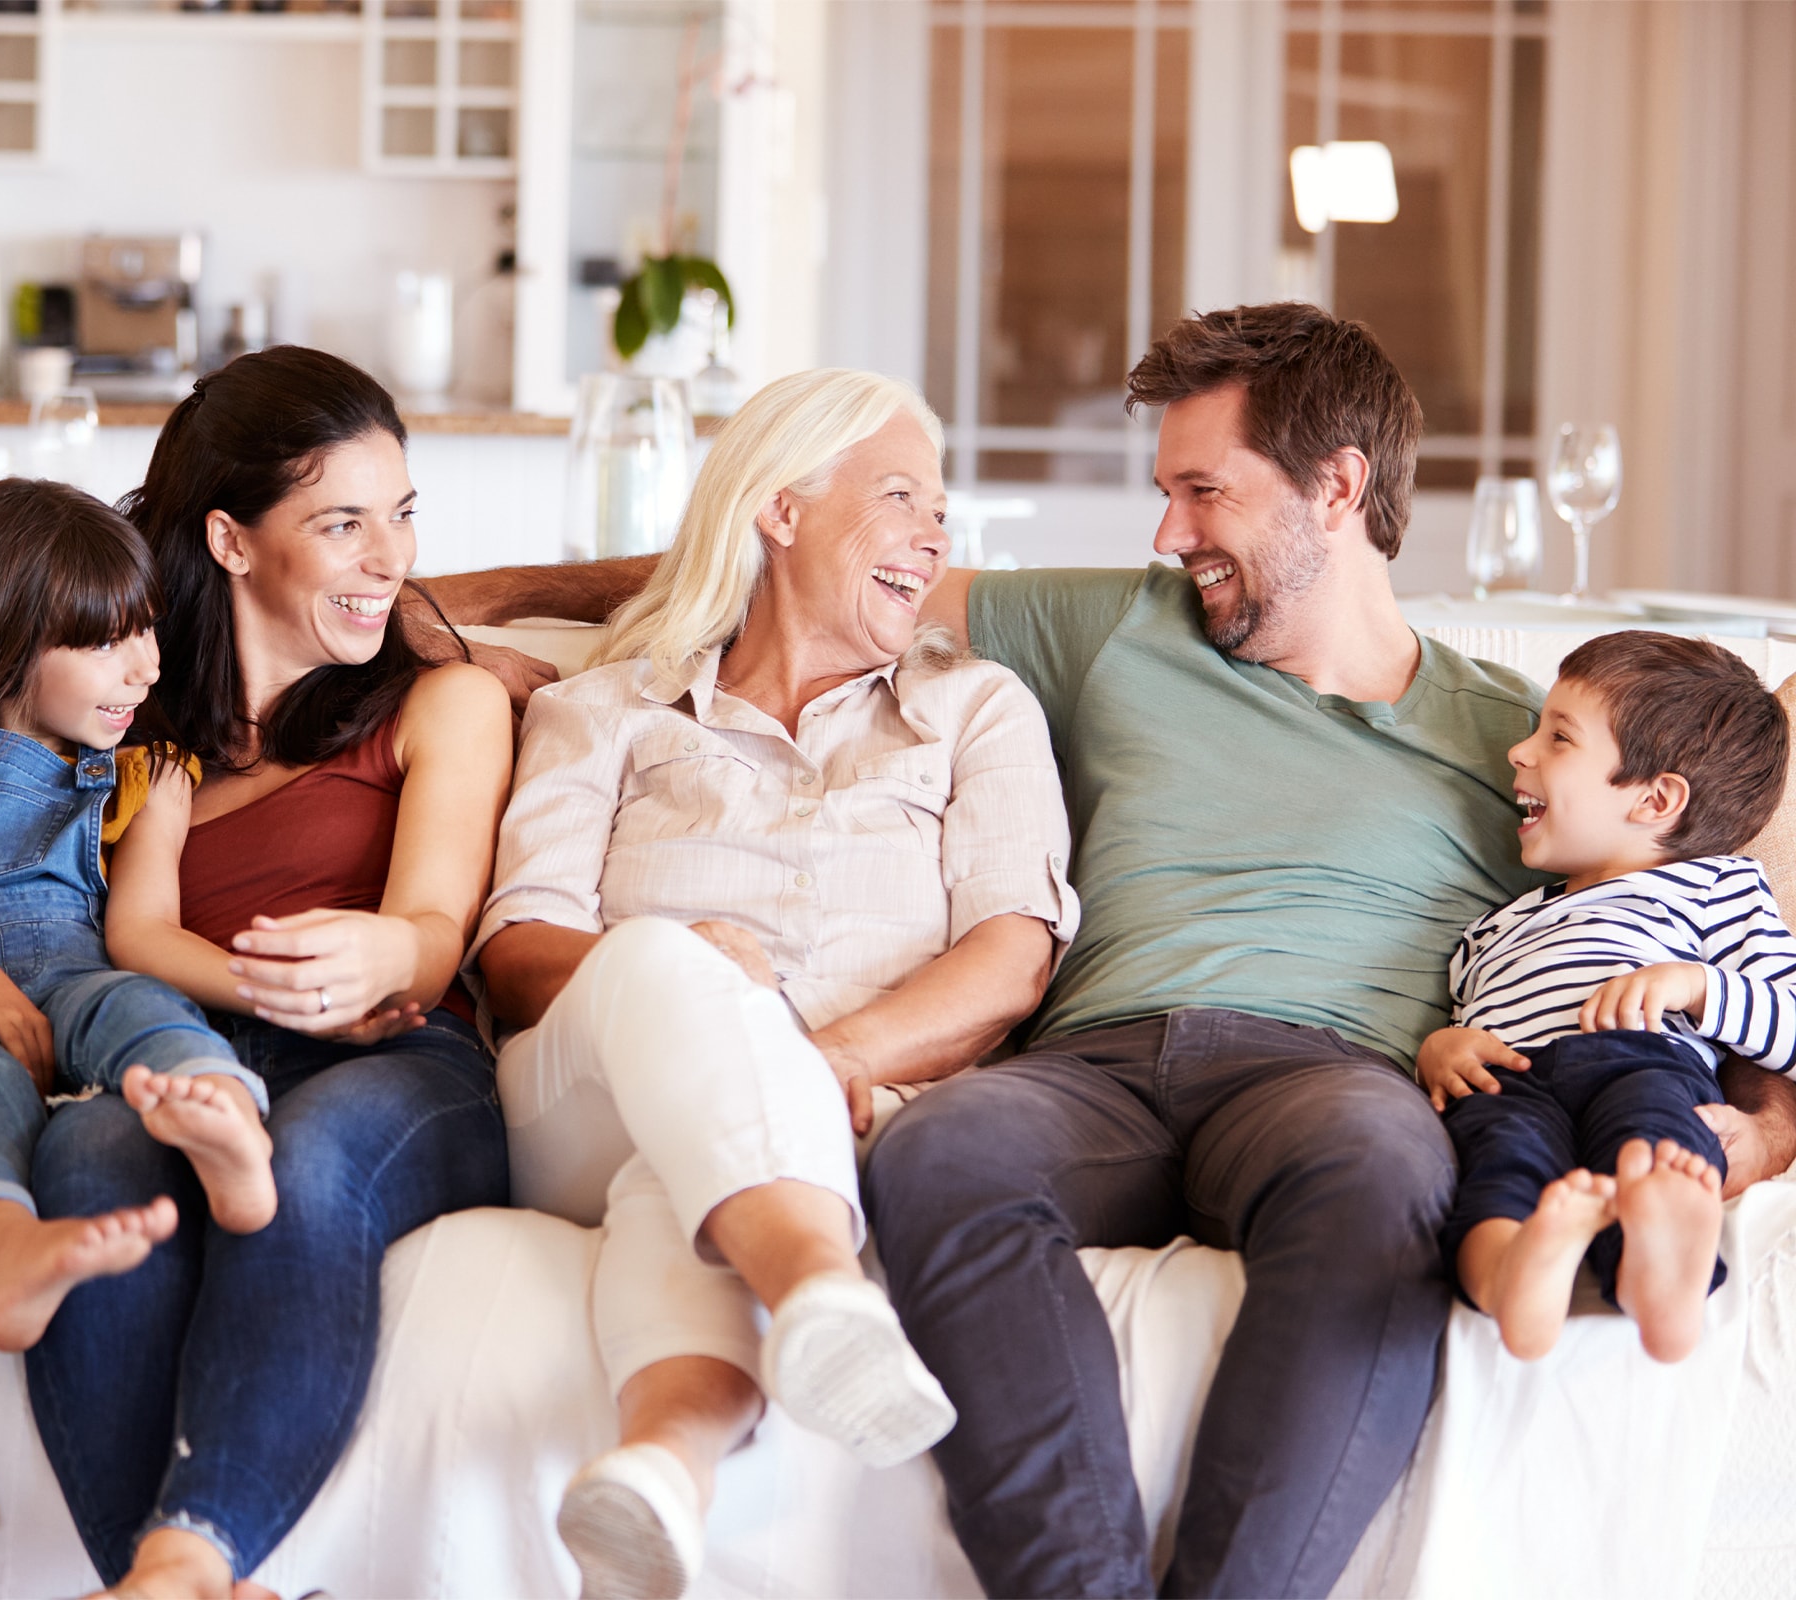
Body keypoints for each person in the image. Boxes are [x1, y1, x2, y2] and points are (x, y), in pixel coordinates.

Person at [412, 302, 1794, 1594]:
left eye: (1205, 491)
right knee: (942, 1154)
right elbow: (788, 566)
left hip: (1330, 1076)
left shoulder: (1522, 742)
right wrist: (460, 602)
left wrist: (1749, 1133)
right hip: (1095, 1065)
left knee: (1386, 1175)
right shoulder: (1118, 627)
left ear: (1336, 489)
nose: (1166, 529)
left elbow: (1688, 927)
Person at [472, 368, 1076, 1599]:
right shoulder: (605, 707)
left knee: (689, 1158)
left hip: (830, 1104)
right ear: (780, 509)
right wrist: (697, 980)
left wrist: (814, 1058)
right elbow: (519, 950)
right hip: (584, 1088)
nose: (935, 534)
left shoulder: (976, 710)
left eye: (941, 509)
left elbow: (1011, 959)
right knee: (661, 964)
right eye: (900, 494)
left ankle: (660, 1472)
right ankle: (817, 1290)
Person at [20, 346, 515, 1600]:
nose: (389, 558)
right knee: (83, 1161)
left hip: (402, 1062)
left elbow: (439, 924)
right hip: (200, 1057)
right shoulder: (145, 728)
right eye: (343, 522)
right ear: (233, 541)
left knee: (313, 1157)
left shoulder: (445, 701)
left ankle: (180, 1563)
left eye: (401, 517)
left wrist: (383, 950)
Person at [0, 478, 276, 1357]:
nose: (146, 666)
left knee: (141, 1009)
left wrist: (262, 985)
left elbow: (143, 931)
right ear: (5, 644)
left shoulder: (144, 771)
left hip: (80, 976)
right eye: (106, 642)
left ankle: (227, 1122)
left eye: (147, 628)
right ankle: (6, 1247)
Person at [1425, 631, 1795, 1364]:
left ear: (1656, 799)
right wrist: (1443, 1048)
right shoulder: (1496, 923)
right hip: (1514, 1082)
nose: (1519, 752)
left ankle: (1662, 1276)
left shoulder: (1721, 888)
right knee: (1495, 1172)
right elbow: (1463, 1015)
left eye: (1558, 737)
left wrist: (1699, 987)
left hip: (1645, 1063)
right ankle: (1513, 1273)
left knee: (1661, 1150)